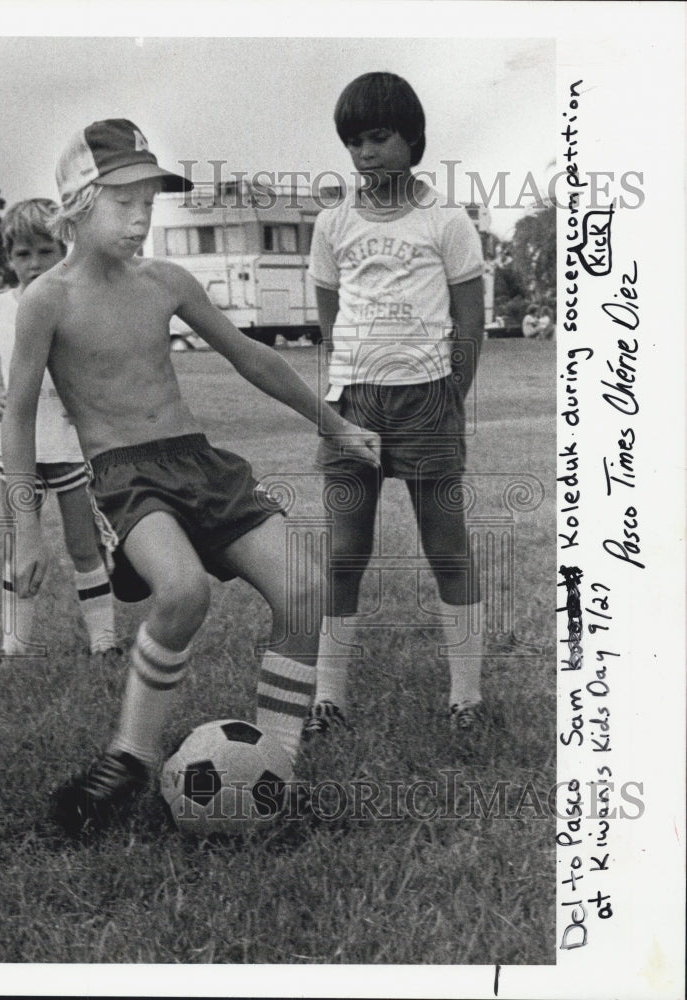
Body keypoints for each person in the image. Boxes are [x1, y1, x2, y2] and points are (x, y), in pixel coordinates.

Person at [0, 119, 380, 837]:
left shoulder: (167, 281)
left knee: (305, 589)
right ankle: (130, 757)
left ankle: (276, 762)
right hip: (125, 475)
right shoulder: (46, 300)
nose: (142, 217)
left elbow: (251, 357)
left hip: (198, 461)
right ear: (78, 205)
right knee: (182, 591)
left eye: (149, 201)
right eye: (124, 202)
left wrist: (333, 423)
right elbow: (18, 417)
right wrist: (26, 530)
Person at [305, 72, 487, 740]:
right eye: (353, 141)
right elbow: (330, 319)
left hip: (428, 404)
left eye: (378, 137)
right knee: (344, 553)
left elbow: (470, 323)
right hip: (353, 406)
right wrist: (349, 387)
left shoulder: (446, 220)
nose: (365, 153)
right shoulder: (334, 221)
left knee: (448, 550)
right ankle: (329, 696)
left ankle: (465, 697)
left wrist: (448, 396)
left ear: (413, 137)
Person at [0, 198, 118, 657]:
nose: (34, 263)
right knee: (21, 550)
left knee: (83, 548)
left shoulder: (79, 302)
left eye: (45, 251)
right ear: (8, 258)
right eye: (22, 254)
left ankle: (104, 641)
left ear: (64, 248)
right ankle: (15, 647)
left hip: (69, 448)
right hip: (18, 452)